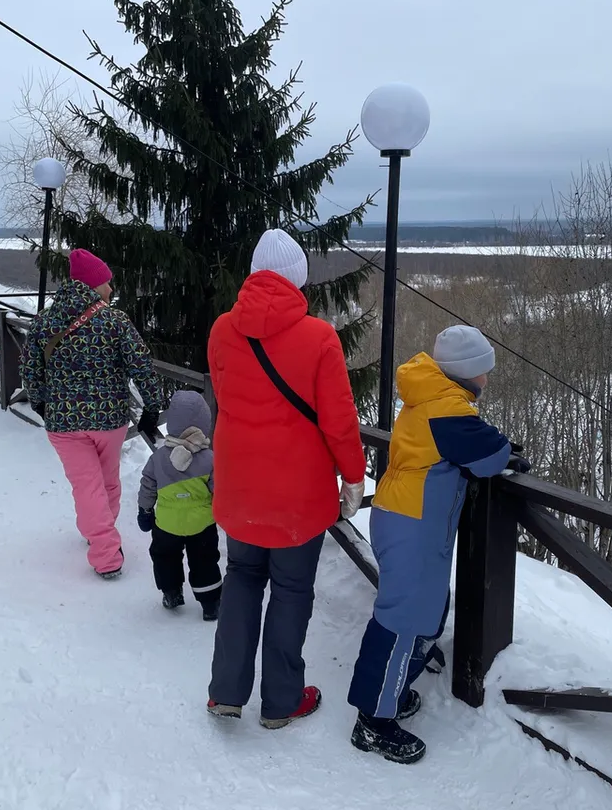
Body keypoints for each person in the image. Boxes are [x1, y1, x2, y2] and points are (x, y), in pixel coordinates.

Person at [205, 228, 366, 729]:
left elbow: (225, 397)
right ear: (298, 280)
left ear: (254, 275)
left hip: (240, 488)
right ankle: (281, 703)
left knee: (242, 579)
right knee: (292, 591)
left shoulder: (221, 330)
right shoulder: (319, 338)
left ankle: (226, 693)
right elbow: (338, 419)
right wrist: (354, 478)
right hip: (297, 498)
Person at [346, 325, 528, 764]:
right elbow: (488, 456)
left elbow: (458, 448)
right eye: (485, 371)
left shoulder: (428, 398)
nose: (488, 379)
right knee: (404, 620)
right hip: (413, 525)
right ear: (468, 374)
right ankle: (373, 720)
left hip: (403, 518)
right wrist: (509, 453)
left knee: (423, 612)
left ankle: (390, 691)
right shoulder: (448, 411)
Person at [21, 247, 163, 579]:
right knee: (106, 481)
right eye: (106, 283)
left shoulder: (43, 322)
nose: (111, 289)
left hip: (63, 422)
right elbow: (141, 366)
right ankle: (106, 552)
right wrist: (152, 406)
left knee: (88, 485)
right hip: (109, 420)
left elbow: (30, 369)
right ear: (92, 285)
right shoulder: (115, 321)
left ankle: (98, 531)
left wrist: (41, 402)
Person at [137, 390, 223, 620]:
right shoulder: (210, 459)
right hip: (202, 524)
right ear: (204, 422)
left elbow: (148, 486)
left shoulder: (158, 458)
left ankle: (171, 592)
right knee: (205, 560)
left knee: (164, 557)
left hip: (166, 525)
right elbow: (220, 489)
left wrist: (145, 510)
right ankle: (210, 602)